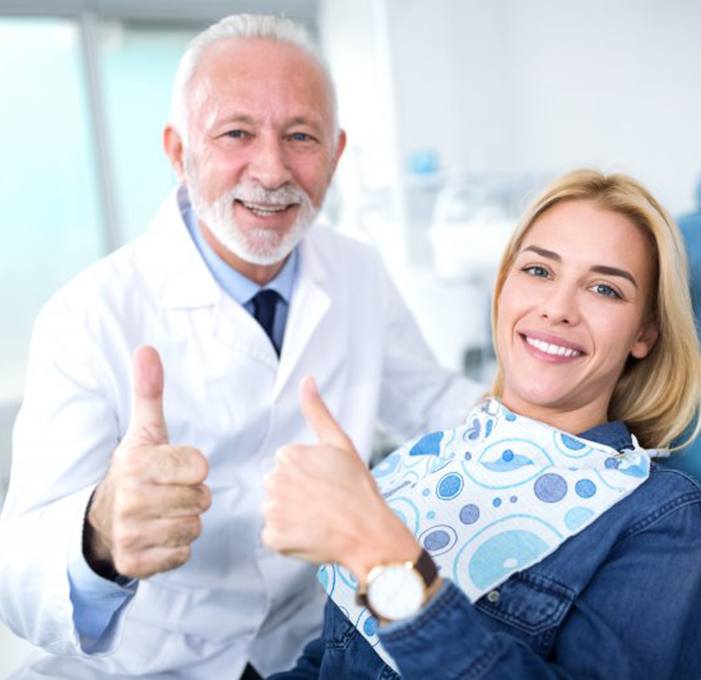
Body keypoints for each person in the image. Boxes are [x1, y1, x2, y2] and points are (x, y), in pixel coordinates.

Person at [0, 14, 483, 680]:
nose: (272, 169)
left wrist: (575, 418)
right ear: (178, 151)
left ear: (336, 153)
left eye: (300, 137)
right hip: (143, 661)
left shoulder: (357, 272)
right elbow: (18, 575)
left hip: (309, 645)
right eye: (235, 133)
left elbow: (433, 405)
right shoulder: (89, 316)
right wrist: (100, 536)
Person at [264, 169, 701, 678]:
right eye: (539, 271)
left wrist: (381, 555)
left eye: (604, 288)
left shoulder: (662, 520)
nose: (557, 309)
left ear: (645, 333)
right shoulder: (425, 465)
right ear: (502, 290)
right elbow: (328, 663)